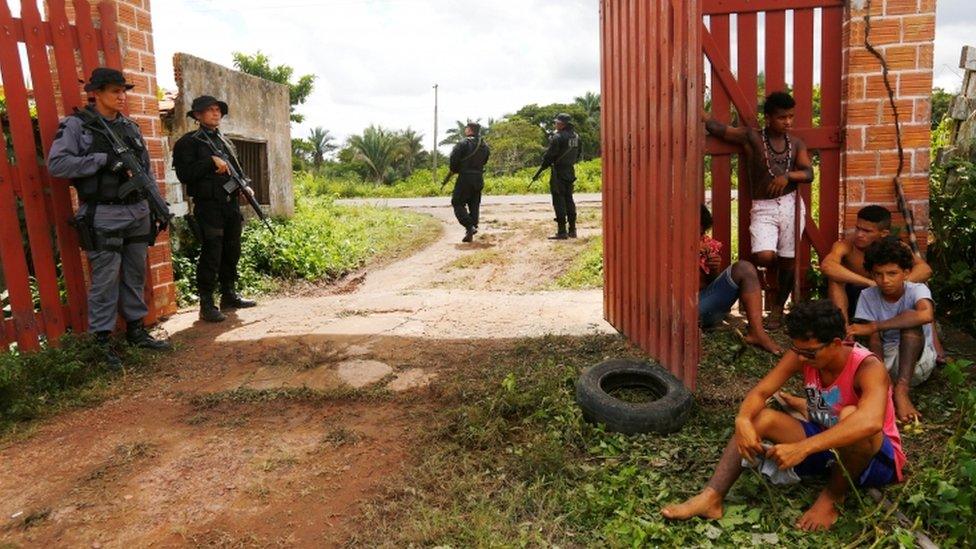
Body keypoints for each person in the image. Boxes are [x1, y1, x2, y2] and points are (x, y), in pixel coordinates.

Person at [662, 300, 905, 532]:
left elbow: (870, 423)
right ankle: (712, 497)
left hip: (875, 460)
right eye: (797, 350)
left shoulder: (869, 368)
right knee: (762, 418)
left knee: (853, 416)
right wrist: (742, 421)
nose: (801, 358)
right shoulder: (802, 354)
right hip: (829, 446)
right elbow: (761, 392)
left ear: (836, 343)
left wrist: (804, 448)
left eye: (809, 353)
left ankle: (832, 497)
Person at [47, 67, 172, 367]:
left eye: (123, 91)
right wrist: (102, 160)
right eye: (114, 91)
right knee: (104, 278)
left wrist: (158, 206)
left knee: (135, 273)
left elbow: (144, 172)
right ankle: (100, 342)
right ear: (97, 93)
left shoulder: (130, 127)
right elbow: (57, 164)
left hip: (137, 210)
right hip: (104, 213)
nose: (121, 96)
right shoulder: (78, 126)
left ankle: (136, 331)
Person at [703, 92, 814, 328]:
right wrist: (697, 110)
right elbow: (718, 129)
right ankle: (772, 270)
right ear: (768, 118)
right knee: (764, 256)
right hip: (763, 207)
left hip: (790, 204)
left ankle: (776, 309)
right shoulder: (751, 137)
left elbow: (808, 173)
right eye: (782, 117)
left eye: (791, 117)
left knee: (789, 259)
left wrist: (787, 177)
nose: (788, 122)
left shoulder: (796, 144)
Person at [172, 95, 257, 322]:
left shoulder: (225, 141)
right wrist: (210, 161)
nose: (215, 113)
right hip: (208, 207)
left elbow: (237, 171)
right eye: (209, 110)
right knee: (212, 253)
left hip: (230, 205)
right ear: (198, 115)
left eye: (218, 109)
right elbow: (184, 174)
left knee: (232, 250)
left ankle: (228, 294)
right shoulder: (188, 143)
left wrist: (246, 187)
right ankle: (206, 303)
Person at [847, 237, 936, 423]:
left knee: (910, 317)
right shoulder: (867, 295)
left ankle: (902, 392)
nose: (885, 280)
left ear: (906, 272)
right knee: (867, 340)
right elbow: (874, 339)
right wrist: (882, 380)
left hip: (916, 365)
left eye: (892, 273)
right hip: (884, 364)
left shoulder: (917, 290)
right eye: (878, 274)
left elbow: (926, 315)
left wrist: (875, 325)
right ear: (871, 274)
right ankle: (888, 389)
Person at [820, 205, 932, 323]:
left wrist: (897, 283)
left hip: (889, 298)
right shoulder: (846, 245)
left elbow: (925, 269)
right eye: (858, 228)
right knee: (835, 280)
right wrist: (870, 283)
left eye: (866, 231)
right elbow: (827, 266)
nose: (859, 234)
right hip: (855, 297)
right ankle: (843, 331)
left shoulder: (896, 247)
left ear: (883, 233)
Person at [699, 206, 782, 354]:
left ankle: (757, 332)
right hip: (677, 312)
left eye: (700, 232)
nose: (698, 237)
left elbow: (711, 282)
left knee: (745, 268)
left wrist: (714, 268)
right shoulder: (662, 244)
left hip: (704, 307)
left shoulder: (707, 245)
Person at [532, 113, 582, 240]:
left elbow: (549, 156)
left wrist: (543, 166)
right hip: (570, 171)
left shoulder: (557, 137)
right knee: (569, 199)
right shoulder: (577, 137)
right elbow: (578, 154)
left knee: (559, 201)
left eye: (557, 122)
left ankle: (562, 231)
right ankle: (572, 230)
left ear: (562, 124)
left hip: (558, 172)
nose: (555, 124)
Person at [446, 122, 490, 243]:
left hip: (465, 177)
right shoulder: (484, 145)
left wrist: (455, 170)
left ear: (469, 130)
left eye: (466, 128)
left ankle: (469, 226)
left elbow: (454, 160)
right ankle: (472, 228)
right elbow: (485, 160)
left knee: (457, 202)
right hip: (478, 178)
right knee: (474, 204)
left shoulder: (463, 143)